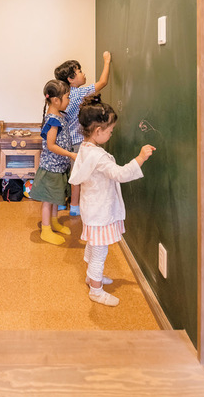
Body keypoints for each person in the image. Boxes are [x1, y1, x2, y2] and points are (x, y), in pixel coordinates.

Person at [69, 94, 155, 306]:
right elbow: (121, 174)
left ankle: (91, 277)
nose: (111, 134)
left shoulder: (85, 148)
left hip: (92, 209)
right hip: (100, 212)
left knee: (93, 244)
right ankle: (96, 290)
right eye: (110, 131)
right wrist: (140, 158)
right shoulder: (98, 157)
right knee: (100, 251)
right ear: (98, 131)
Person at [54, 51, 112, 216]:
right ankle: (74, 207)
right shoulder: (78, 94)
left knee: (64, 172)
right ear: (71, 79)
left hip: (63, 140)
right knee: (76, 174)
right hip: (77, 141)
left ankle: (59, 203)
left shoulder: (63, 96)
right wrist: (106, 61)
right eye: (80, 71)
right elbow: (103, 82)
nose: (83, 74)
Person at [29, 79, 77, 245]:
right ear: (56, 100)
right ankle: (46, 229)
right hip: (52, 168)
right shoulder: (53, 120)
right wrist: (70, 155)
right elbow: (51, 145)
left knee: (57, 196)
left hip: (59, 166)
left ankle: (54, 222)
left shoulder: (59, 115)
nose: (69, 100)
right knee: (48, 200)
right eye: (67, 97)